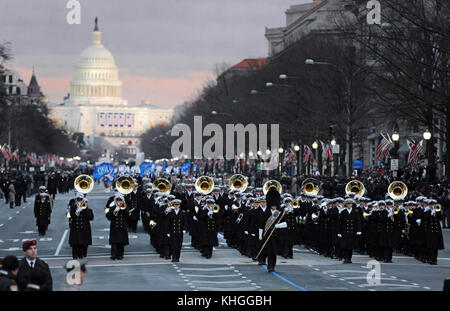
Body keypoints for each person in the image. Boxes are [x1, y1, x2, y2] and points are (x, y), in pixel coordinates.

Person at [257, 188, 286, 273]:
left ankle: (273, 265)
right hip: (267, 235)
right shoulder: (266, 213)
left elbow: (286, 224)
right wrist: (260, 235)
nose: (273, 206)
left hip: (276, 235)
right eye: (272, 205)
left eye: (275, 205)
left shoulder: (280, 213)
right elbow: (261, 225)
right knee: (269, 252)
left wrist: (278, 225)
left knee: (274, 252)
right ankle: (270, 266)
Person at [69, 193, 94, 259]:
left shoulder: (86, 208)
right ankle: (74, 256)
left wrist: (84, 208)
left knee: (83, 244)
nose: (79, 201)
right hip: (75, 228)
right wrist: (77, 211)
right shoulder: (73, 207)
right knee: (75, 244)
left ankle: (81, 255)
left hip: (84, 228)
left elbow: (91, 217)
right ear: (76, 200)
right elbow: (71, 216)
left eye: (80, 200)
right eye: (78, 199)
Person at [337, 198, 362, 264]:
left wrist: (359, 230)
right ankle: (345, 258)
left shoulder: (355, 212)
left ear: (352, 204)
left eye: (350, 204)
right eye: (348, 204)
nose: (349, 205)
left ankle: (349, 258)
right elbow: (340, 223)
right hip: (344, 231)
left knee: (350, 247)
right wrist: (339, 232)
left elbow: (358, 222)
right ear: (346, 205)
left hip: (352, 231)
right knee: (345, 246)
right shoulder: (343, 212)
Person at [105, 194, 129, 260]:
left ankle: (120, 255)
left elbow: (128, 216)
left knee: (121, 243)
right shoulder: (112, 207)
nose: (119, 201)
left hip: (122, 227)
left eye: (120, 200)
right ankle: (113, 255)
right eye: (117, 200)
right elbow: (108, 217)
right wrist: (114, 211)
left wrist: (122, 209)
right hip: (114, 227)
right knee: (114, 243)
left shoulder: (124, 207)